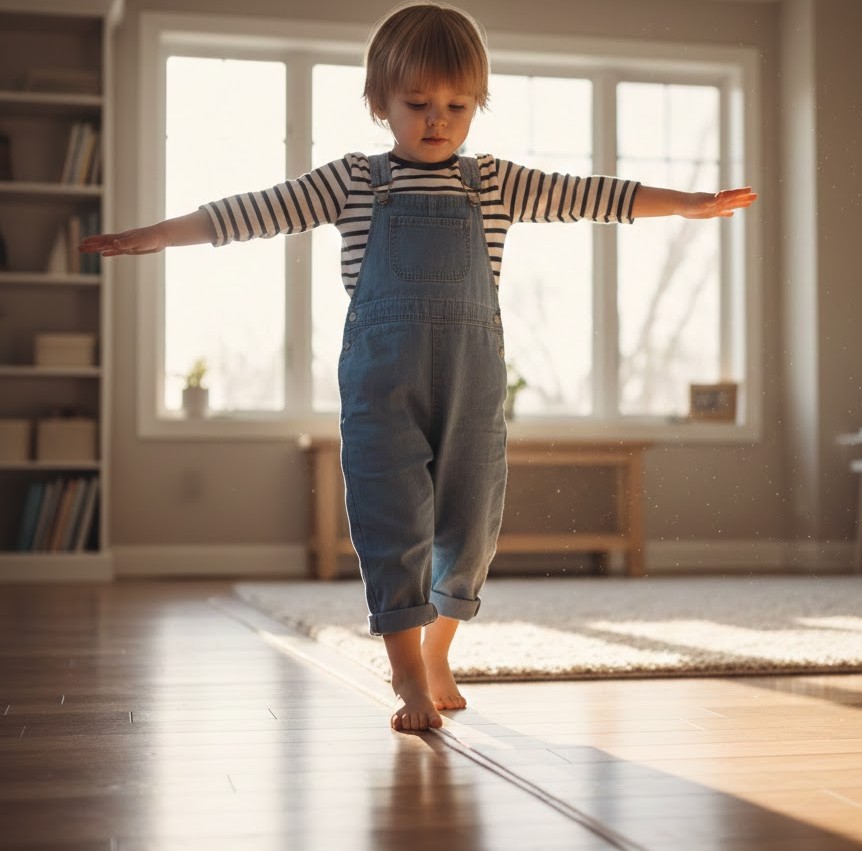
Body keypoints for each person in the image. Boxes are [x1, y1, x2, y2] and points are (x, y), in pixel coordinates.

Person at [81, 1, 756, 733]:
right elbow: (254, 210)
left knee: (471, 524)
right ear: (380, 102)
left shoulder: (493, 183)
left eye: (457, 105)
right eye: (418, 103)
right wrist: (155, 235)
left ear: (477, 105)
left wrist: (689, 203)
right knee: (390, 519)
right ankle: (406, 675)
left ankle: (438, 650)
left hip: (472, 382)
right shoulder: (353, 182)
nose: (438, 118)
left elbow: (594, 195)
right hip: (381, 383)